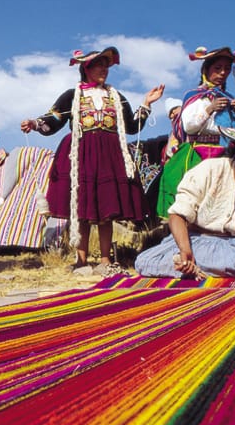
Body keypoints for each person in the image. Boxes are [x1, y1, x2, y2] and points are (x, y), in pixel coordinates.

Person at [20, 47, 164, 271]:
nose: (104, 70)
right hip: (81, 153)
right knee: (82, 209)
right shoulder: (73, 95)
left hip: (109, 155)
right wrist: (35, 123)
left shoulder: (116, 97)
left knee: (106, 210)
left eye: (106, 66)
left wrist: (147, 103)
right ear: (86, 68)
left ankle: (105, 260)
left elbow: (131, 126)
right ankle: (81, 261)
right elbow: (54, 119)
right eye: (99, 65)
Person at [135, 127, 235, 289]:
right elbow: (178, 214)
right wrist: (185, 251)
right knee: (146, 262)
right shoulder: (210, 170)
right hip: (195, 244)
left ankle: (204, 272)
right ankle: (214, 271)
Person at [157, 46, 235, 218]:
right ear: (206, 70)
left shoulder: (229, 98)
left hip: (223, 155)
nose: (223, 73)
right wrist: (210, 108)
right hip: (196, 153)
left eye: (227, 69)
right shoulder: (195, 96)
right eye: (217, 68)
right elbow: (189, 127)